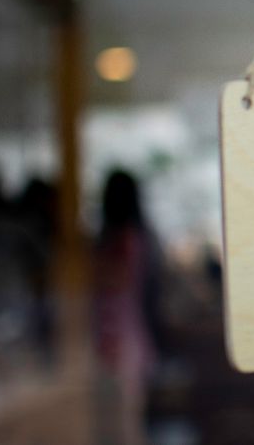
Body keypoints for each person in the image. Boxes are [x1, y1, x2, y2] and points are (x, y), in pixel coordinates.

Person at [93, 170, 163, 445]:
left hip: (117, 341)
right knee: (127, 422)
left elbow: (114, 283)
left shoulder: (116, 240)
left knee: (122, 425)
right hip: (131, 337)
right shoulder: (141, 236)